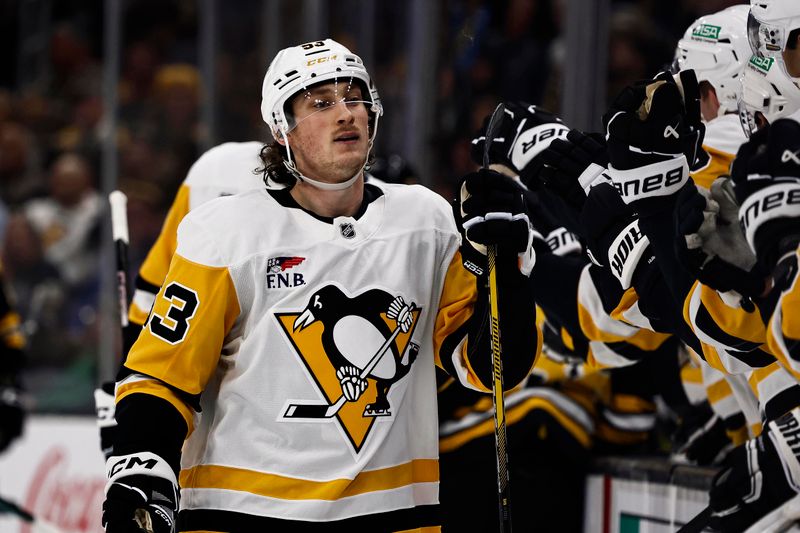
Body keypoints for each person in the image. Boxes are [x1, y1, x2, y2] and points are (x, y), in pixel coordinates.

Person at [101, 39, 540, 532]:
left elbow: (490, 369)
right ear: (281, 128)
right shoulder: (224, 233)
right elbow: (162, 376)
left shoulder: (427, 221)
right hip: (244, 516)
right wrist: (142, 466)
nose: (345, 113)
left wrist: (508, 269)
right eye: (321, 103)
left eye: (354, 98)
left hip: (391, 518)